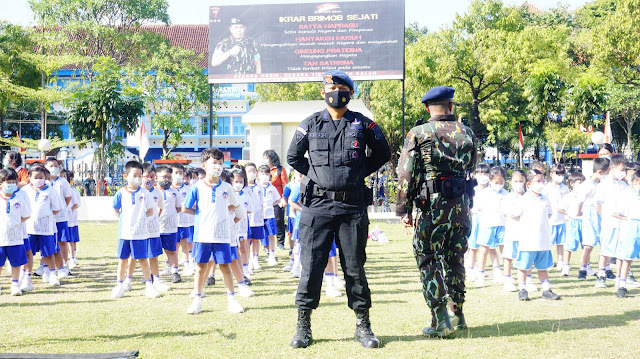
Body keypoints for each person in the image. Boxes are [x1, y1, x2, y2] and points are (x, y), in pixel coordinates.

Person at [288, 70, 390, 349]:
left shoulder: (363, 125)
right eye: (331, 88)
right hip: (317, 206)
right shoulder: (309, 124)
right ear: (323, 92)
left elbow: (383, 154)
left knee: (355, 268)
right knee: (311, 268)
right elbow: (293, 157)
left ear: (350, 93)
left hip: (352, 206)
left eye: (342, 88)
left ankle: (363, 325)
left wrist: (357, 174)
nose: (336, 92)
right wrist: (318, 177)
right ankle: (303, 325)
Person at [396, 86, 476, 338]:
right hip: (461, 207)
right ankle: (458, 315)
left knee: (427, 257)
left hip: (432, 207)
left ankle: (441, 319)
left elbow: (406, 174)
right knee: (455, 258)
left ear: (427, 108)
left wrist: (403, 209)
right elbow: (472, 166)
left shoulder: (418, 133)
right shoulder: (467, 132)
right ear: (451, 106)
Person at [183, 148, 243, 315]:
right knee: (201, 266)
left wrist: (223, 210)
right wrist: (200, 213)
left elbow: (235, 205)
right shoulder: (197, 187)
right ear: (204, 165)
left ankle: (232, 299)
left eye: (219, 163)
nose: (217, 166)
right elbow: (186, 207)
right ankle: (197, 300)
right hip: (202, 234)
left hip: (222, 235)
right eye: (213, 163)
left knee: (225, 266)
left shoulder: (227, 187)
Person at [111, 161, 161, 299]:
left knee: (143, 260)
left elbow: (151, 210)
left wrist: (141, 220)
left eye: (140, 175)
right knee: (123, 260)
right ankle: (119, 285)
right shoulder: (121, 193)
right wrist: (122, 220)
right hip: (125, 234)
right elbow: (115, 208)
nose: (138, 178)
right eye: (135, 175)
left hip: (141, 234)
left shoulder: (145, 193)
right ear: (126, 176)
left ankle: (149, 286)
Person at [512, 169, 561, 301]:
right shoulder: (524, 200)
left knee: (542, 267)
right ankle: (522, 289)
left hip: (543, 240)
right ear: (528, 184)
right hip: (528, 241)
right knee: (523, 266)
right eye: (538, 181)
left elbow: (549, 214)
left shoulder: (545, 199)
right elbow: (515, 215)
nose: (541, 183)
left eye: (543, 181)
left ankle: (546, 290)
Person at [24, 165, 62, 286]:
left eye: (41, 177)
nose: (38, 180)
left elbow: (57, 208)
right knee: (27, 253)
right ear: (30, 177)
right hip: (29, 229)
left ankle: (52, 274)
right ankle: (26, 278)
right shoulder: (25, 190)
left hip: (46, 230)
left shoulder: (50, 191)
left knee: (48, 253)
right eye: (35, 177)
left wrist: (46, 216)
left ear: (45, 177)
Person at [595, 155, 628, 288]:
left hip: (622, 223)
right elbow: (598, 204)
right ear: (613, 168)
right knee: (606, 251)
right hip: (609, 223)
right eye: (621, 169)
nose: (623, 172)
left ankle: (620, 278)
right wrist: (605, 217)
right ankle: (601, 275)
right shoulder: (603, 185)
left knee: (621, 252)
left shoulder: (624, 185)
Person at [474, 166, 508, 287]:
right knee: (484, 250)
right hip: (487, 226)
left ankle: (507, 275)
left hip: (502, 226)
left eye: (501, 182)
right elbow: (478, 209)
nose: (499, 184)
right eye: (496, 182)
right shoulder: (483, 194)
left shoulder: (506, 194)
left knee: (505, 251)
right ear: (490, 180)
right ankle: (481, 275)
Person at [0, 168, 31, 296]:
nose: (11, 184)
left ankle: (15, 284)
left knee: (16, 263)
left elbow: (26, 215)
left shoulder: (19, 198)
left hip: (16, 238)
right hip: (1, 239)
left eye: (13, 182)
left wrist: (15, 223)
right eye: (8, 182)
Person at [577, 157, 609, 280]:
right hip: (590, 215)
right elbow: (580, 201)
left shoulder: (604, 185)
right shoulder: (587, 185)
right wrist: (578, 212)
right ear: (600, 172)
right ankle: (583, 269)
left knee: (605, 243)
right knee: (588, 245)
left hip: (602, 214)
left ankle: (606, 269)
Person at [613, 170, 640, 298]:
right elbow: (615, 212)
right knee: (627, 257)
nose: (636, 186)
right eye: (635, 184)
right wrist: (627, 219)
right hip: (632, 226)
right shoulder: (627, 194)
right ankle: (622, 284)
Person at [44, 158, 73, 279]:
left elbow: (68, 198)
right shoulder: (43, 183)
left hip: (60, 218)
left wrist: (61, 209)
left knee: (62, 241)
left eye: (56, 166)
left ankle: (64, 264)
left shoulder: (63, 182)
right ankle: (45, 266)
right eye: (51, 166)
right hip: (47, 219)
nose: (54, 168)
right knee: (47, 242)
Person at [156, 166, 183, 284]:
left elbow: (178, 207)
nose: (166, 179)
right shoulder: (152, 192)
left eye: (169, 177)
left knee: (172, 251)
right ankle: (152, 274)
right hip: (155, 229)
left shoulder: (174, 192)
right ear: (156, 177)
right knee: (153, 253)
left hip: (170, 228)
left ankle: (174, 272)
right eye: (164, 177)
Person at [501, 169, 526, 292]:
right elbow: (511, 214)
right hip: (512, 231)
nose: (519, 183)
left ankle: (527, 280)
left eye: (521, 181)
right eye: (516, 181)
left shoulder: (528, 197)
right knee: (509, 256)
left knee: (526, 256)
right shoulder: (508, 197)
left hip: (525, 232)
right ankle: (508, 279)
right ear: (511, 182)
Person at [465, 163, 490, 281]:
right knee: (473, 246)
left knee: (486, 247)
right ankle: (470, 268)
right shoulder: (473, 190)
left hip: (487, 220)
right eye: (479, 174)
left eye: (485, 174)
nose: (482, 176)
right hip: (475, 219)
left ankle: (482, 269)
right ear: (475, 175)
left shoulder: (491, 190)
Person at [559, 171, 586, 277]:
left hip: (584, 222)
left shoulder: (585, 196)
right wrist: (569, 214)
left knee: (586, 246)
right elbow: (560, 208)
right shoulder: (568, 197)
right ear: (572, 183)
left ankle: (585, 266)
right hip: (573, 222)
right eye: (579, 183)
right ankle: (566, 266)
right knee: (569, 245)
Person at [543, 164, 570, 271]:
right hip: (550, 220)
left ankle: (560, 261)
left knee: (561, 242)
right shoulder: (547, 188)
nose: (560, 176)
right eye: (557, 174)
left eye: (562, 174)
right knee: (548, 243)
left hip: (561, 220)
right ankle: (548, 262)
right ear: (551, 174)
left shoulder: (565, 188)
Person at [171, 163, 194, 276]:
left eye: (180, 173)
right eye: (176, 173)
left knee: (185, 243)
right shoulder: (168, 189)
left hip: (185, 222)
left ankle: (187, 264)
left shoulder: (188, 189)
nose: (178, 175)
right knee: (173, 246)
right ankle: (169, 265)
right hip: (171, 223)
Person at [263, 150, 289, 251]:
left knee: (279, 221)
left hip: (277, 200)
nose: (265, 160)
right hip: (265, 200)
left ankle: (280, 242)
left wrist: (284, 199)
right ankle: (265, 243)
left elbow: (284, 185)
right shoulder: (264, 170)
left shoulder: (280, 170)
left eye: (266, 157)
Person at [259, 165, 282, 266]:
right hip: (258, 216)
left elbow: (278, 199)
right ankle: (266, 251)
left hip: (270, 215)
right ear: (258, 175)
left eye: (267, 174)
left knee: (271, 234)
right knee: (261, 235)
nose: (264, 176)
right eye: (262, 174)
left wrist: (270, 204)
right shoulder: (256, 187)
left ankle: (272, 254)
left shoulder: (272, 187)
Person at [245, 162, 265, 272]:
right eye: (249, 171)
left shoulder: (259, 188)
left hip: (257, 219)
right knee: (247, 240)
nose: (251, 174)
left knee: (256, 239)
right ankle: (247, 260)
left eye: (253, 171)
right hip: (247, 219)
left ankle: (255, 259)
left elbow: (261, 203)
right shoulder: (244, 188)